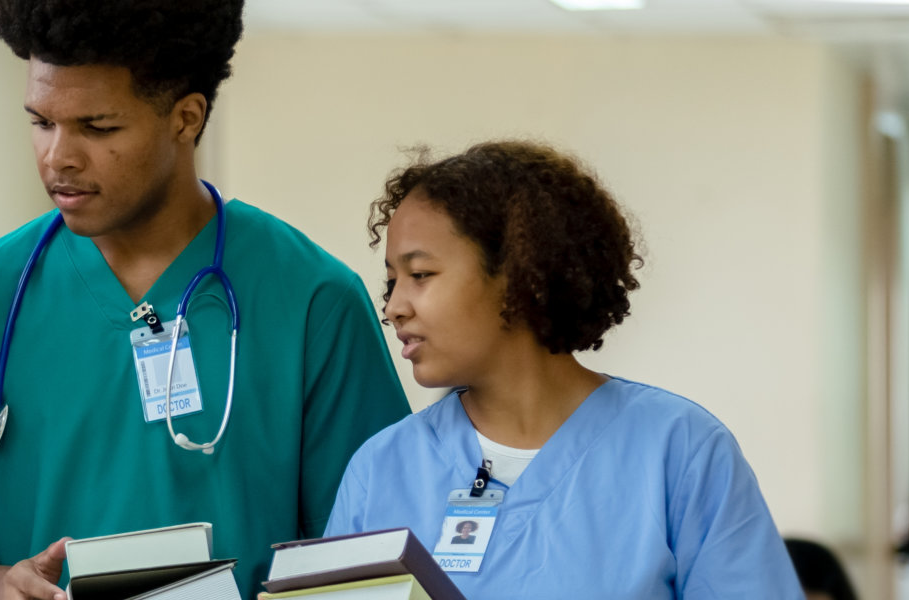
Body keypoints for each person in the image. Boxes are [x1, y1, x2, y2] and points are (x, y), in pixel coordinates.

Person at [0, 1, 409, 597]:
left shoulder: (312, 301)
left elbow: (371, 560)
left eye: (98, 127)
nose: (57, 156)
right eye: (41, 122)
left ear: (186, 118)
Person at [323, 140, 800, 598]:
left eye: (420, 275)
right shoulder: (381, 469)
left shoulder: (680, 450)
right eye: (391, 282)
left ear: (518, 274)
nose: (394, 307)